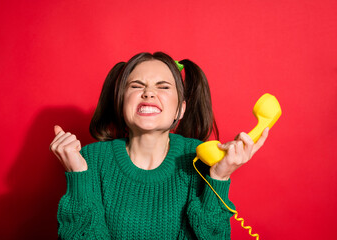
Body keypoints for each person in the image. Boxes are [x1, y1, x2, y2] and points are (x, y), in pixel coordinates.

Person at [50, 52, 269, 239]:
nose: (148, 93)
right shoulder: (90, 160)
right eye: (136, 86)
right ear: (120, 102)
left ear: (180, 110)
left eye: (163, 86)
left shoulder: (200, 160)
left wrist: (219, 178)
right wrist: (78, 176)